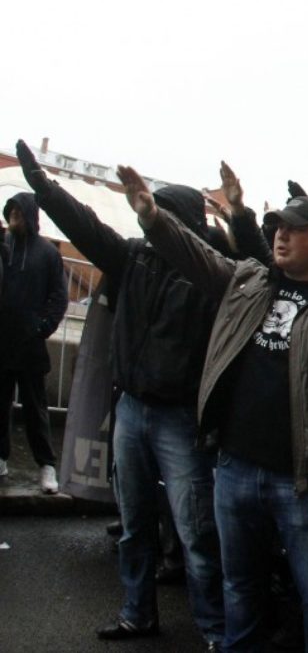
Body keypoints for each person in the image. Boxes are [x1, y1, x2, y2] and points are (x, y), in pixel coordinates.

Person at [114, 164, 308, 653]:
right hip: (234, 468)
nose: (281, 236)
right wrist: (154, 217)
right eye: (278, 227)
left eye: (296, 229)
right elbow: (194, 254)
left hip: (303, 483)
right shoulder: (247, 281)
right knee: (239, 587)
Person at [14, 140, 224, 649]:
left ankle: (217, 631)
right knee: (134, 524)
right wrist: (43, 187)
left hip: (180, 418)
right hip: (131, 409)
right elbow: (85, 227)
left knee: (195, 532)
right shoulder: (134, 258)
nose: (151, 224)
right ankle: (137, 613)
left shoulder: (209, 275)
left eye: (162, 216)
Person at [0, 192, 67, 491]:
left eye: (18, 212)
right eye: (10, 212)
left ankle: (46, 466)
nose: (13, 216)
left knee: (35, 408)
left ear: (29, 215)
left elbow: (60, 296)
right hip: (3, 341)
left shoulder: (48, 253)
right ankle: (0, 458)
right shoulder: (4, 246)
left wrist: (42, 327)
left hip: (30, 344)